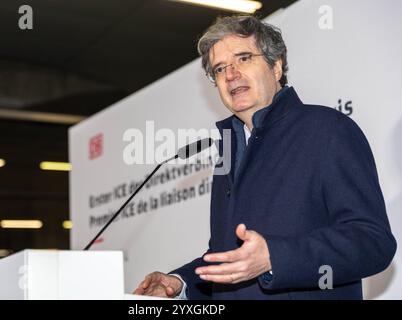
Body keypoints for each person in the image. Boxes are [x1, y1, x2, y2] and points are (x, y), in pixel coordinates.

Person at [133, 15, 397, 299]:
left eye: (243, 58)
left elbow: (372, 241)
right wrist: (180, 282)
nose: (231, 74)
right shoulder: (229, 152)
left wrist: (275, 258)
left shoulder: (327, 129)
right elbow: (231, 257)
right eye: (220, 69)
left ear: (276, 65)